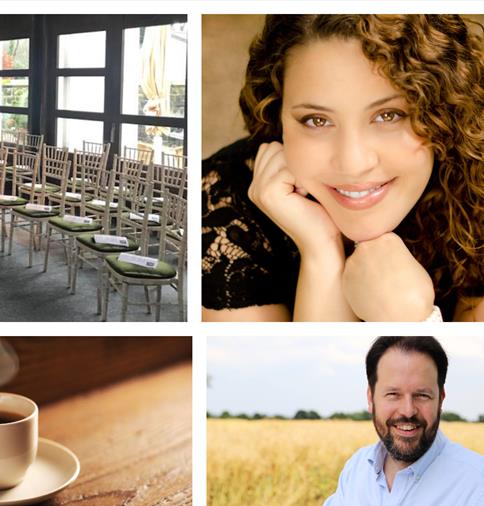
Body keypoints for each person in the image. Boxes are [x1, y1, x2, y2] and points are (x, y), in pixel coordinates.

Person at [202, 15, 484, 321]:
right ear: (277, 115)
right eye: (317, 120)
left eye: (389, 115)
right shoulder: (224, 202)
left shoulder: (476, 186)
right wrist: (321, 253)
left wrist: (413, 320)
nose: (353, 163)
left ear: (444, 109)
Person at [321, 337, 484, 506]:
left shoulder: (477, 484)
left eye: (422, 395)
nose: (408, 411)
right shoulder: (356, 468)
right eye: (393, 394)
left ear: (440, 400)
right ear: (371, 398)